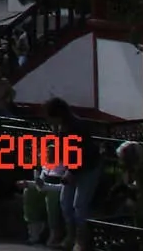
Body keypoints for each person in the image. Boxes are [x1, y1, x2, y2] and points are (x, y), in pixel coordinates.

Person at [45, 97, 102, 251]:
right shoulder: (61, 129)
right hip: (74, 168)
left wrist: (71, 171)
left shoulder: (76, 127)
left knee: (79, 204)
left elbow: (81, 153)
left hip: (88, 168)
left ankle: (81, 240)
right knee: (65, 201)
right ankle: (70, 235)